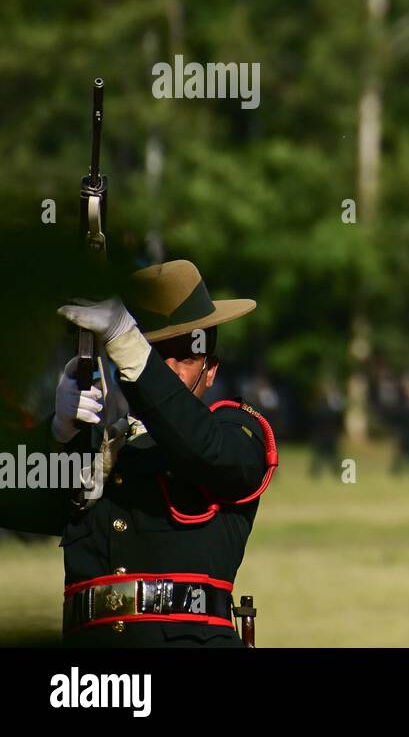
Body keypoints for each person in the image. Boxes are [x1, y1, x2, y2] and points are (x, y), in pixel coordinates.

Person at [53, 259, 276, 646]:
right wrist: (58, 434)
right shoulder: (95, 443)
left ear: (210, 370)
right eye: (157, 355)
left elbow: (203, 448)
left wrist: (127, 340)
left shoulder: (237, 431)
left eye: (185, 356)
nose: (169, 369)